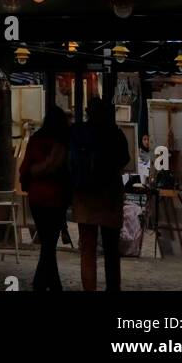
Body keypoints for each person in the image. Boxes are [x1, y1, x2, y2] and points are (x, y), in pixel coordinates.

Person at [69, 98, 130, 291]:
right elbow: (124, 159)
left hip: (84, 194)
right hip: (109, 194)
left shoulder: (78, 132)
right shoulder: (114, 133)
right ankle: (113, 287)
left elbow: (70, 160)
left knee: (87, 250)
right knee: (111, 249)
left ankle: (90, 288)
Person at [20, 107, 72, 291]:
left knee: (47, 243)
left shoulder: (35, 140)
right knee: (49, 243)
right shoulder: (64, 143)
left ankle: (44, 283)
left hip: (37, 197)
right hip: (57, 198)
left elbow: (24, 169)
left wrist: (28, 184)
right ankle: (46, 284)